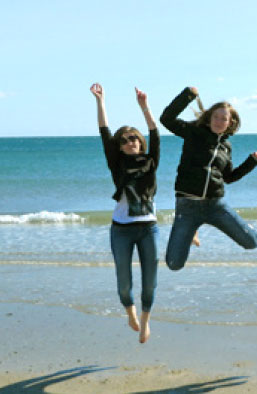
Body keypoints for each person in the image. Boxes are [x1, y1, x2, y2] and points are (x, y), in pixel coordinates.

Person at [160, 86, 257, 271]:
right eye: (216, 116)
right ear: (209, 117)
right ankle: (192, 232)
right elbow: (166, 119)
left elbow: (229, 177)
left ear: (229, 123)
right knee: (174, 264)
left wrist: (250, 163)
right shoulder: (193, 131)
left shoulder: (226, 147)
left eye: (224, 119)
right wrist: (187, 96)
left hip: (215, 206)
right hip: (187, 207)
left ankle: (243, 226)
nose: (219, 121)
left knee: (252, 242)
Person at [91, 83, 159, 343]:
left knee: (150, 280)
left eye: (134, 138)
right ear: (118, 147)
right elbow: (103, 131)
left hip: (148, 227)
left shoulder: (151, 160)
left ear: (140, 142)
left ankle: (145, 321)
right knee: (123, 281)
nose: (130, 142)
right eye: (125, 140)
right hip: (121, 228)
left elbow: (155, 133)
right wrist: (100, 101)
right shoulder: (116, 163)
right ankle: (130, 313)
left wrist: (145, 107)